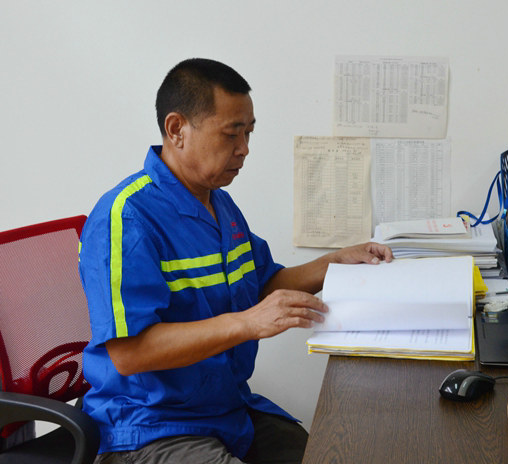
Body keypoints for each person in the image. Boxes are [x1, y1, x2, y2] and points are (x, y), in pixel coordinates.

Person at [79, 58, 393, 464]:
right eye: (231, 134)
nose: (244, 149)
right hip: (149, 426)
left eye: (248, 133)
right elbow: (130, 352)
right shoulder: (126, 218)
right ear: (176, 130)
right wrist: (247, 323)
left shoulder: (220, 204)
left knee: (331, 453)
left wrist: (335, 262)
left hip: (224, 409)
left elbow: (261, 286)